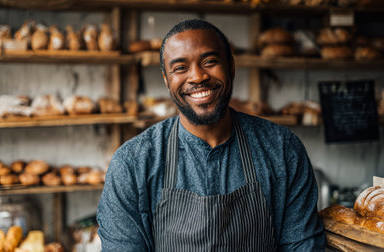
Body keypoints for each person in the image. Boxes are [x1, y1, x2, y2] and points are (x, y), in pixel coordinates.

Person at [97, 19, 325, 251]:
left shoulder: (282, 150)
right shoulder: (133, 163)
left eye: (210, 62)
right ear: (167, 80)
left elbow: (303, 245)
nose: (197, 77)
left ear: (231, 67)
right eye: (180, 68)